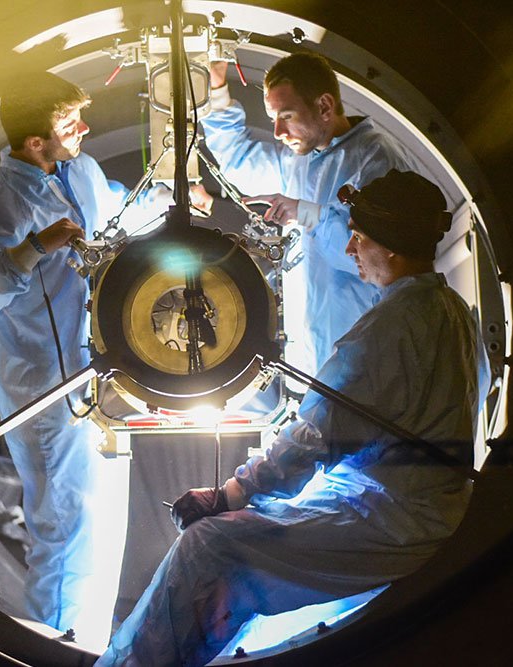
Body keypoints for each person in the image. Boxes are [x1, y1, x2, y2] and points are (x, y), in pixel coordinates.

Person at [96, 169, 484, 667]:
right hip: (427, 504)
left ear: (389, 249)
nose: (350, 252)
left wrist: (230, 494)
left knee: (208, 547)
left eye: (358, 239)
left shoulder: (389, 329)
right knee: (262, 522)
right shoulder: (453, 309)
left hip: (396, 521)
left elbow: (317, 438)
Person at [0, 71, 172, 641]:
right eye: (69, 124)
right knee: (64, 526)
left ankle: (90, 640)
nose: (84, 129)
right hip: (45, 386)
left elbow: (117, 215)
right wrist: (31, 250)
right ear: (34, 142)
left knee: (101, 519)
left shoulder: (82, 171)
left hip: (99, 377)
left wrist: (174, 197)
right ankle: (54, 646)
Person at [200, 51, 418, 375]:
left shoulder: (377, 160)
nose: (276, 131)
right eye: (273, 117)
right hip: (316, 353)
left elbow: (381, 258)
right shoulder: (304, 159)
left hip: (366, 353)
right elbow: (239, 158)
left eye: (286, 116)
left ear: (325, 106)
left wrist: (309, 215)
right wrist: (216, 86)